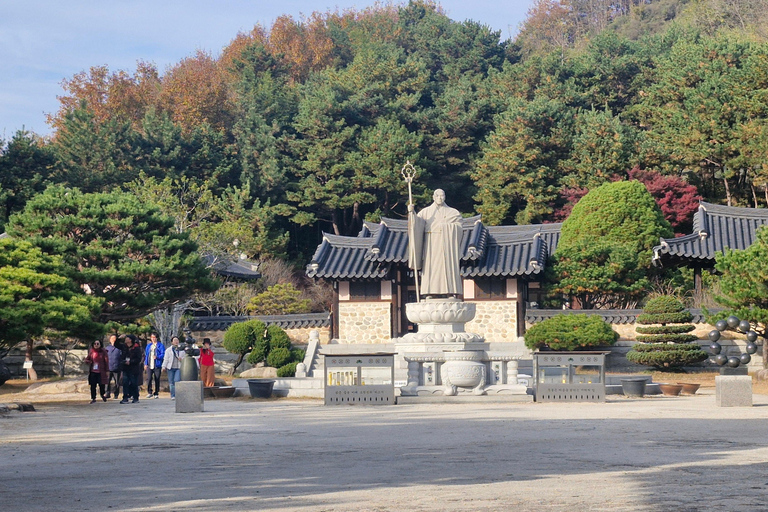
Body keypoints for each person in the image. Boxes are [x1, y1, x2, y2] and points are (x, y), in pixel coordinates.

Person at [408, 188, 463, 297]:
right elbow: (416, 224)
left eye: (442, 195)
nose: (440, 198)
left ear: (445, 197)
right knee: (430, 267)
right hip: (431, 243)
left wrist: (445, 227)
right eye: (437, 196)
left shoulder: (453, 212)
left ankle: (450, 291)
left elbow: (459, 227)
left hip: (446, 244)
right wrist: (412, 213)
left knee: (447, 267)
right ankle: (430, 291)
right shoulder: (426, 212)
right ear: (433, 197)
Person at [120, 335, 143, 404]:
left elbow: (138, 359)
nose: (125, 339)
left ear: (130, 340)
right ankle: (125, 397)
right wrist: (119, 338)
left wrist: (130, 362)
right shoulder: (124, 347)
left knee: (134, 383)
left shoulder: (136, 348)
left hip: (133, 369)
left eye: (127, 338)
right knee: (125, 383)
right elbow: (116, 345)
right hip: (125, 368)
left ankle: (135, 397)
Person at [144, 332, 165, 399]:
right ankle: (149, 392)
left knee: (157, 379)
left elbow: (163, 354)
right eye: (152, 337)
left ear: (157, 338)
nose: (153, 339)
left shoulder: (160, 345)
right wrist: (145, 363)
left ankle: (156, 392)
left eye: (154, 337)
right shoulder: (149, 346)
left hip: (157, 365)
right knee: (149, 378)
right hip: (149, 365)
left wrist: (157, 357)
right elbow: (146, 355)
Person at [104, 334, 122, 399]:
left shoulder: (120, 348)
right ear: (110, 340)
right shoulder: (107, 348)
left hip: (117, 367)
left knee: (117, 382)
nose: (113, 340)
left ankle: (116, 394)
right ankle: (107, 393)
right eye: (112, 339)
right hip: (109, 367)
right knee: (107, 381)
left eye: (115, 339)